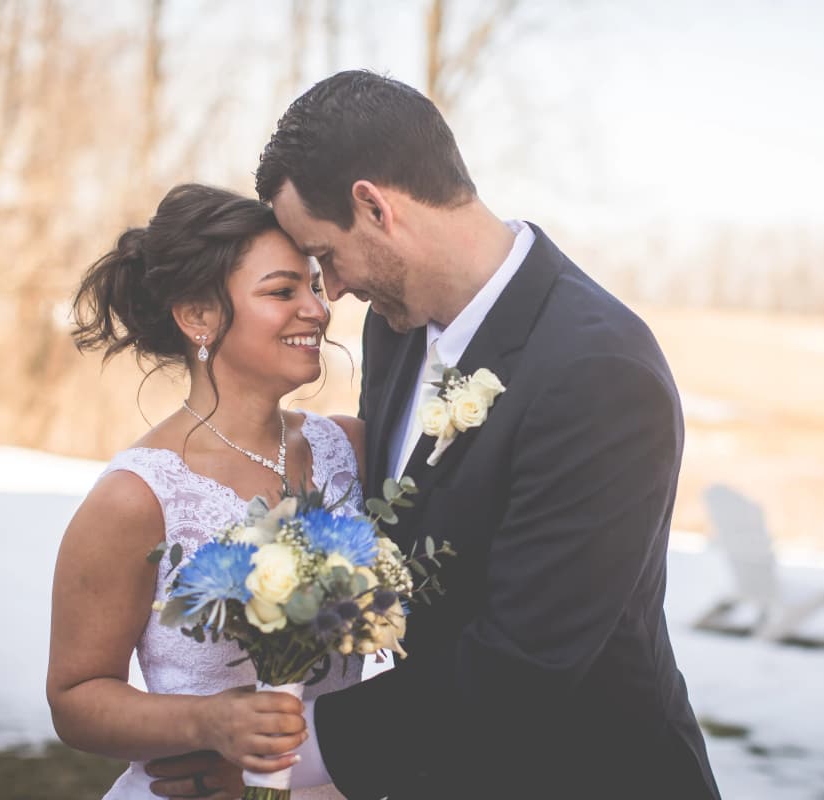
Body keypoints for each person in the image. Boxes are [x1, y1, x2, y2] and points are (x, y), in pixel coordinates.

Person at [155, 71, 721, 799]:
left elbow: (525, 663)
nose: (334, 291)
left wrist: (281, 755)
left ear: (374, 206)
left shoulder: (600, 373)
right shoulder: (396, 331)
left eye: (325, 255)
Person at [47, 183, 367, 799]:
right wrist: (207, 722)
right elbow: (75, 698)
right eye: (283, 291)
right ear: (198, 316)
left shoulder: (348, 450)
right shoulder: (136, 497)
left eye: (315, 287)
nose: (318, 310)